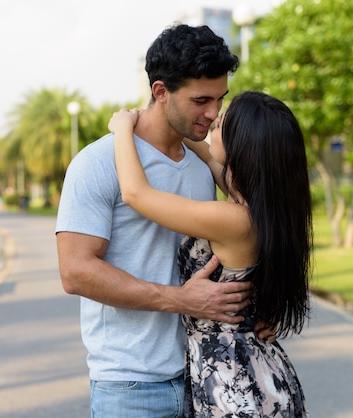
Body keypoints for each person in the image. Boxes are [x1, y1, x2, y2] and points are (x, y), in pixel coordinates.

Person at [56, 24, 272, 417]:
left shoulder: (205, 166)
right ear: (160, 92)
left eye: (220, 99)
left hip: (206, 376)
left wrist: (263, 307)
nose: (214, 113)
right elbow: (75, 272)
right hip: (131, 385)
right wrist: (181, 300)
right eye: (201, 100)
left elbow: (253, 233)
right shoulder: (98, 163)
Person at [108, 90, 311, 416]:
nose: (211, 122)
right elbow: (210, 156)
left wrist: (121, 127)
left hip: (234, 384)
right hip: (254, 369)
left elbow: (135, 193)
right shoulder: (265, 207)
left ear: (242, 146)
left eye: (220, 126)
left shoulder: (232, 219)